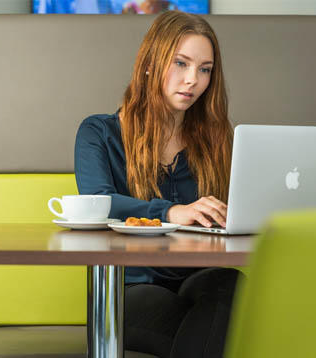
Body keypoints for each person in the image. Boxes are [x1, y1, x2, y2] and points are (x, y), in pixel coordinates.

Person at [74, 10, 238, 358]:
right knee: (221, 331)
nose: (192, 79)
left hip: (198, 277)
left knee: (231, 286)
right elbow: (98, 202)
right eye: (181, 63)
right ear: (151, 62)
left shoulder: (216, 139)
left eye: (204, 69)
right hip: (131, 286)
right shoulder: (99, 133)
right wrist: (172, 212)